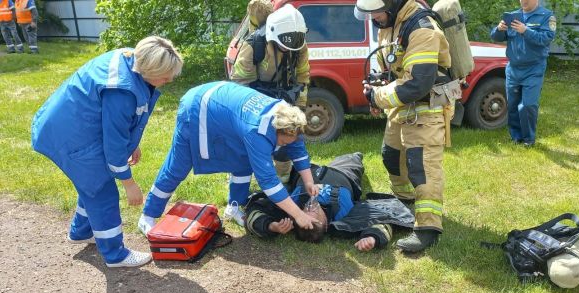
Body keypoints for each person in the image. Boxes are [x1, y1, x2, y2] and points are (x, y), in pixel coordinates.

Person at [31, 36, 183, 268]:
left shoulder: (135, 57)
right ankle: (115, 255)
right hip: (71, 136)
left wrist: (132, 143)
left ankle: (81, 232)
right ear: (149, 69)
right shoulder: (121, 90)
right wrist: (128, 182)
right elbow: (113, 145)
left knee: (90, 184)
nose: (169, 79)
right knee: (102, 190)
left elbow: (122, 125)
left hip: (69, 125)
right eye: (165, 75)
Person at [137, 81, 321, 234]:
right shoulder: (257, 131)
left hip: (223, 108)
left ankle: (234, 207)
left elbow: (297, 147)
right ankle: (148, 215)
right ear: (277, 130)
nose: (284, 146)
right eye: (282, 141)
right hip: (197, 108)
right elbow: (268, 181)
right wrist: (298, 215)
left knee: (242, 162)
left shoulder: (289, 121)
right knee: (179, 165)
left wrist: (309, 181)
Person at [354, 0, 451, 253]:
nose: (374, 17)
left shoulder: (421, 27)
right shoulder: (389, 23)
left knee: (422, 167)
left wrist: (377, 97)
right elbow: (394, 69)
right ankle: (406, 200)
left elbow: (417, 83)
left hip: (426, 106)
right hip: (402, 106)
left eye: (376, 12)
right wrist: (377, 85)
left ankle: (428, 227)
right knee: (391, 156)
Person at [245, 152, 415, 252]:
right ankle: (355, 156)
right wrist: (373, 238)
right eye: (314, 217)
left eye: (304, 215)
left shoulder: (292, 210)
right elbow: (382, 219)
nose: (309, 209)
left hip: (306, 170)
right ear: (326, 225)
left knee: (285, 152)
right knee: (354, 156)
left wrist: (271, 226)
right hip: (343, 171)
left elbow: (253, 212)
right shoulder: (343, 217)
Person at [230, 3, 311, 182]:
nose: (289, 49)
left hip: (285, 96)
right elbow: (240, 85)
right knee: (253, 143)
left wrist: (299, 108)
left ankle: (282, 179)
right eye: (285, 44)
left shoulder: (299, 45)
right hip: (256, 98)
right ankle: (241, 178)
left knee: (287, 141)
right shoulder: (253, 46)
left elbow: (303, 78)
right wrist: (254, 114)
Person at [491, 0, 556, 147]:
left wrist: (525, 30)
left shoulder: (546, 16)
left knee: (528, 105)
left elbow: (546, 38)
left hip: (534, 69)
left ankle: (528, 139)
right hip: (513, 68)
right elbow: (496, 37)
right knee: (513, 105)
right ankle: (516, 137)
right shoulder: (514, 15)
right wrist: (499, 29)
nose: (523, 1)